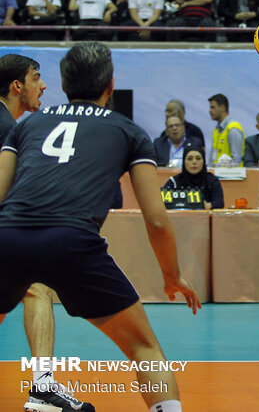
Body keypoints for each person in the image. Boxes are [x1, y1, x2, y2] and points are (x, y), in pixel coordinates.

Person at [0, 42, 201, 412]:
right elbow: (156, 218)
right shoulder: (130, 132)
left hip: (9, 237)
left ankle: (43, 389)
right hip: (73, 242)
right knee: (145, 349)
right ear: (110, 85)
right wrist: (172, 275)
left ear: (63, 83)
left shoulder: (27, 125)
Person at [0, 53, 96, 412]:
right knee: (37, 290)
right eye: (36, 78)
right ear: (16, 86)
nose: (43, 86)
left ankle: (42, 388)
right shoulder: (8, 129)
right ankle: (42, 390)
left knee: (34, 289)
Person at [163, 145, 224, 209]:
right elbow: (162, 202)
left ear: (204, 161)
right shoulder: (174, 181)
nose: (194, 162)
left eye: (198, 158)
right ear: (184, 161)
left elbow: (219, 203)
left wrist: (210, 205)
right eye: (190, 159)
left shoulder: (212, 180)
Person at [208, 93, 245, 167]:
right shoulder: (216, 130)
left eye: (213, 107)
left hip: (231, 176)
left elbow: (236, 161)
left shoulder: (233, 129)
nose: (209, 111)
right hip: (218, 174)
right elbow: (212, 158)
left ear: (222, 107)